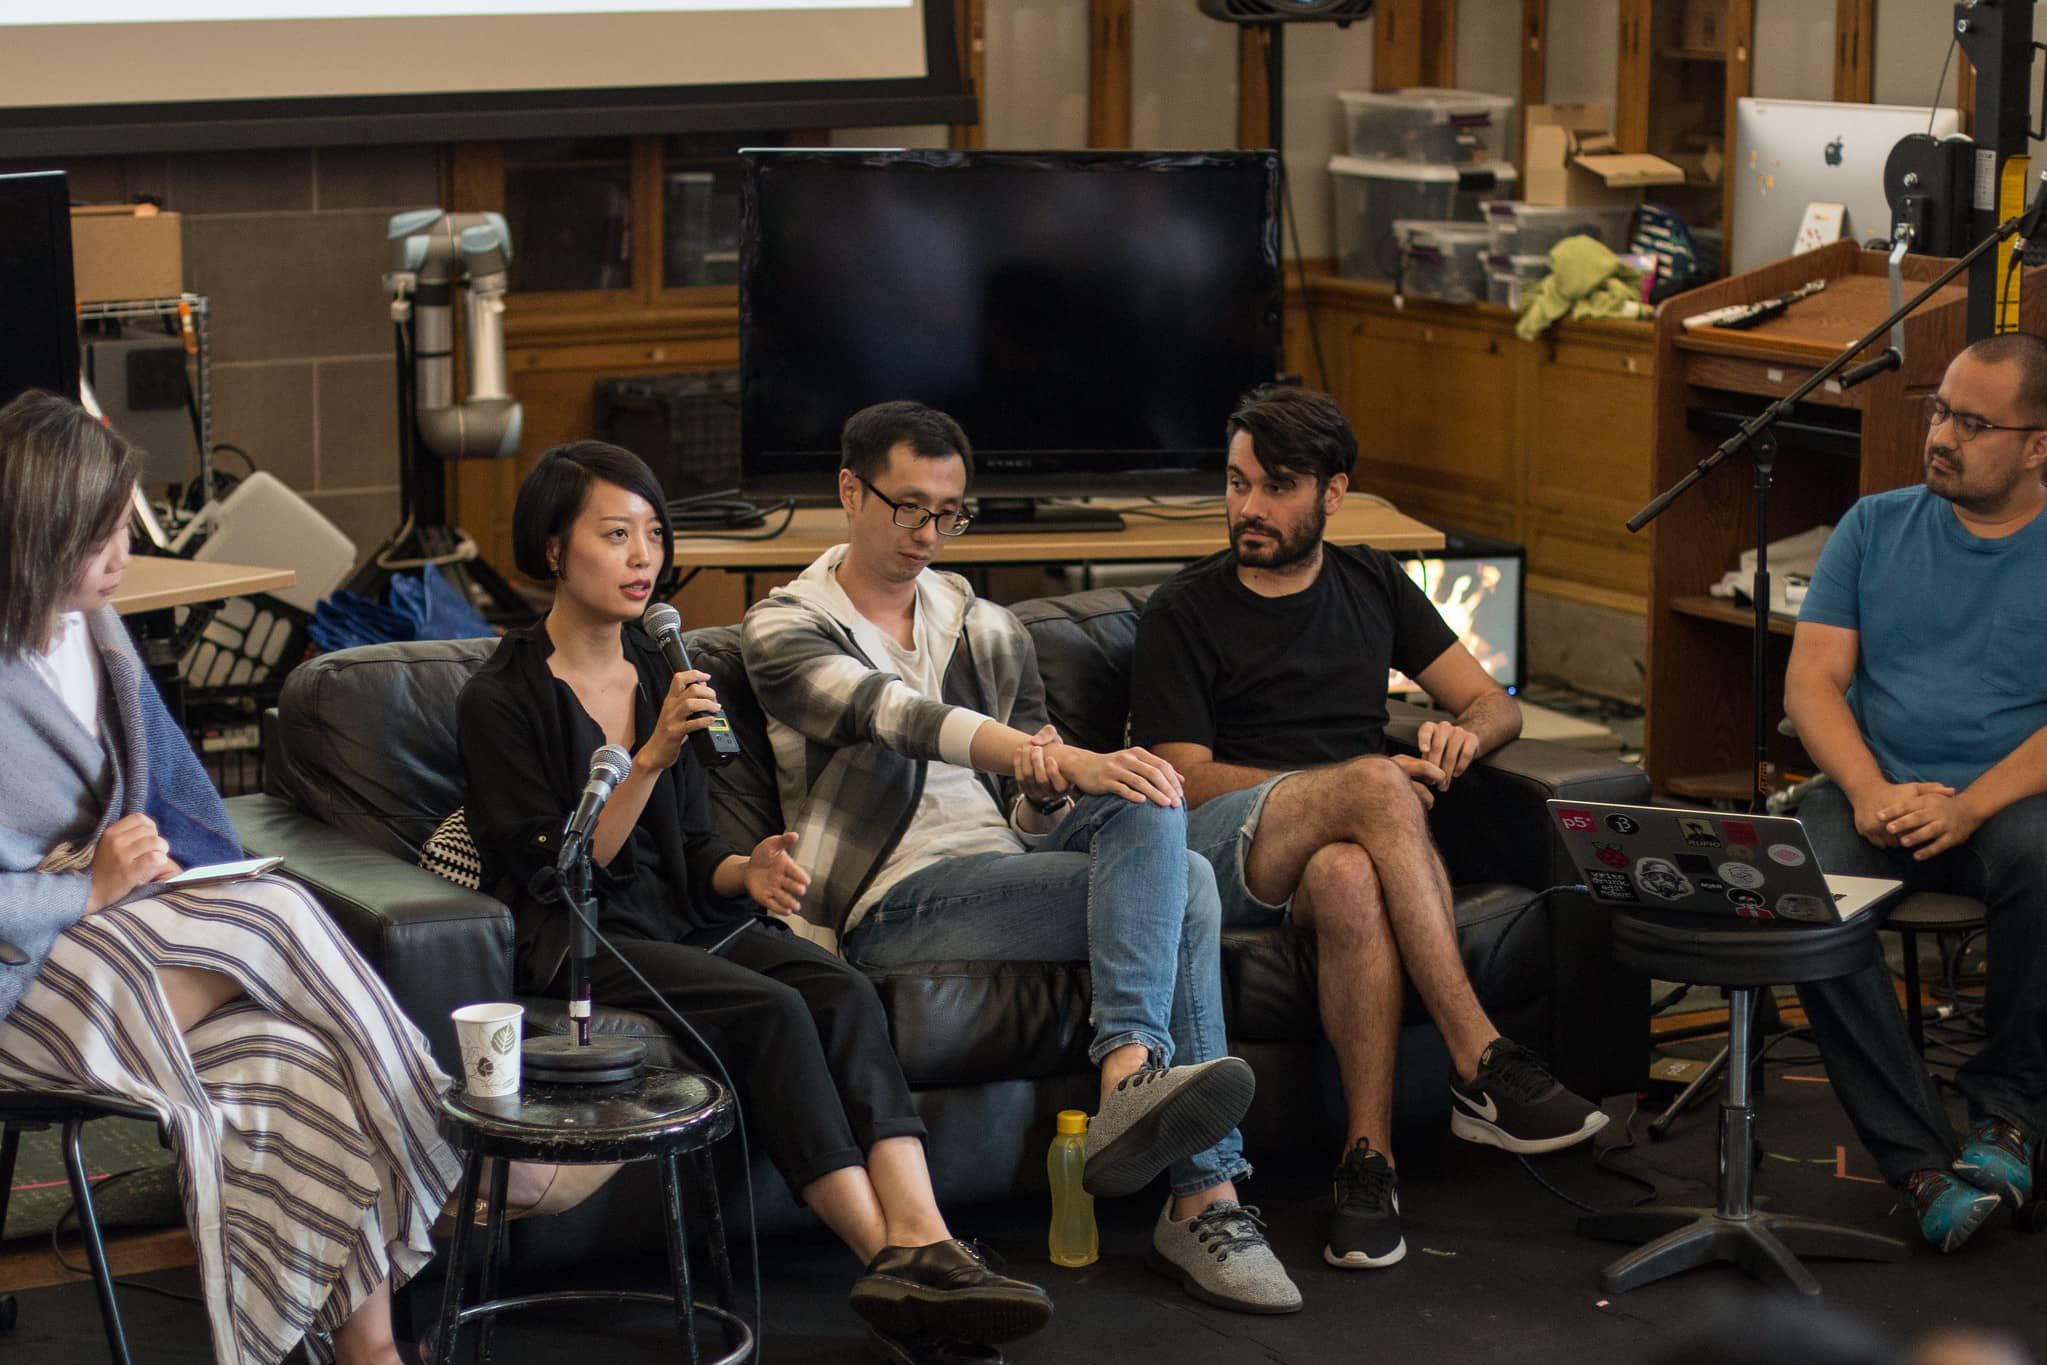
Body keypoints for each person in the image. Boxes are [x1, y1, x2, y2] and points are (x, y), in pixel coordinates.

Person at [0, 390, 613, 1365]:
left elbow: (173, 797)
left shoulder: (93, 626)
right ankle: (460, 1146)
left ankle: (371, 1352)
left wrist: (157, 871)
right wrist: (90, 888)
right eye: (101, 534)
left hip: (130, 949)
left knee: (297, 1071)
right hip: (30, 981)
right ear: (41, 534)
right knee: (276, 909)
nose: (124, 552)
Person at [456, 442, 1051, 1356]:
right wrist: (650, 755)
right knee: (771, 1010)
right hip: (581, 939)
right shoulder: (500, 698)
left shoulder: (663, 668)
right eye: (615, 535)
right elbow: (566, 870)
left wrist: (748, 870)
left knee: (838, 988)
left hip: (685, 921)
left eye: (654, 535)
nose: (643, 557)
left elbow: (694, 849)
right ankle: (889, 1265)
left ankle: (930, 1243)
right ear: (551, 549)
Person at [740, 402, 1298, 1315]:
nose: (928, 534)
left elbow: (1029, 818)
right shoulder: (786, 625)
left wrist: (1046, 790)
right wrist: (1060, 757)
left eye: (948, 514)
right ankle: (1205, 1195)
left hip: (999, 870)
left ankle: (1131, 1082)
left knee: (1155, 808)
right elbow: (895, 715)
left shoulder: (986, 625)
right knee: (1187, 879)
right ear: (850, 491)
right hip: (893, 896)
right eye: (908, 507)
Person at [1127, 384, 1608, 1272]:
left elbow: (1491, 702)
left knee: (1349, 872)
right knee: (1376, 784)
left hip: (1336, 856)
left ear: (1333, 492)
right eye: (1236, 483)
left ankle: (1367, 1164)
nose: (1248, 506)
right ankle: (1481, 1059)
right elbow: (1180, 779)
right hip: (1223, 847)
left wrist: (1463, 736)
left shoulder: (1373, 581)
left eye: (1276, 487)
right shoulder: (1183, 610)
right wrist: (1348, 787)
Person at [1784, 332, 2047, 1252]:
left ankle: (2010, 1119)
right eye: (1939, 411)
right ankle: (1919, 1162)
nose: (1940, 436)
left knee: (2045, 856)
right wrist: (1865, 789)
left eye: (1973, 423)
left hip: (2009, 802)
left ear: (2037, 445)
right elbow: (1811, 683)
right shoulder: (1872, 525)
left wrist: (1966, 806)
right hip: (1877, 790)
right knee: (1805, 881)